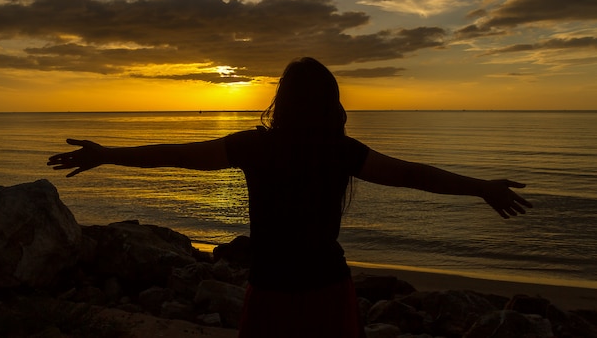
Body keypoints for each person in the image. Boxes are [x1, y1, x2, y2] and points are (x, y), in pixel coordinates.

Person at [48, 57, 532, 338]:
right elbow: (411, 175)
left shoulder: (259, 147)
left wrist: (108, 154)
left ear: (285, 98)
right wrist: (480, 187)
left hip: (273, 293)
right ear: (329, 101)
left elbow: (178, 154)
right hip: (326, 291)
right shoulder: (339, 151)